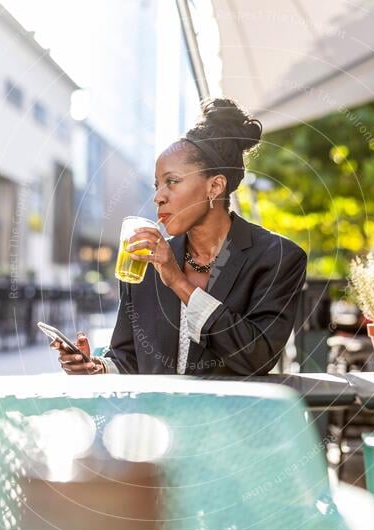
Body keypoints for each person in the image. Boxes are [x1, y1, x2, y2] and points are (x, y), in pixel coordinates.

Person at [51, 98, 308, 376]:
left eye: (172, 182)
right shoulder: (147, 263)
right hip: (157, 419)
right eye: (157, 185)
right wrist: (96, 367)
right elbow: (128, 358)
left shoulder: (277, 257)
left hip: (231, 419)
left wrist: (178, 281)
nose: (158, 196)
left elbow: (257, 355)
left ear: (215, 186)